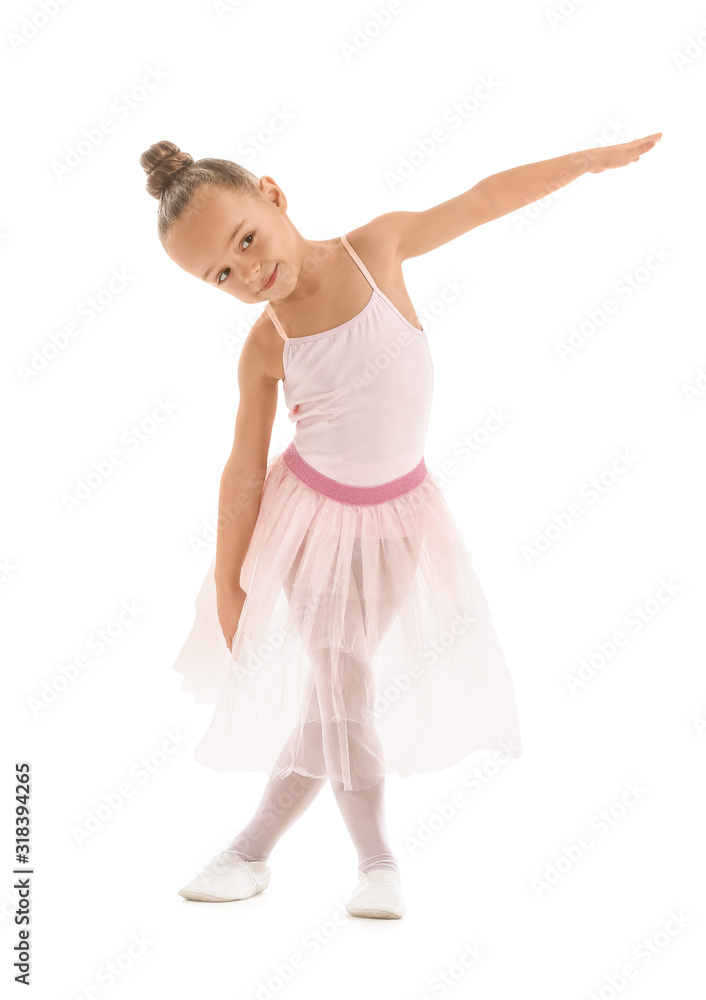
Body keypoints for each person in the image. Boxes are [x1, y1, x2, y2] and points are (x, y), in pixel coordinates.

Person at [141, 131, 661, 919]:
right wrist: (228, 583)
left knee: (333, 696)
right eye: (221, 275)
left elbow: (484, 199)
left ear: (273, 196)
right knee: (344, 683)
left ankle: (248, 852)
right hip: (313, 527)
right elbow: (242, 469)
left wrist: (584, 162)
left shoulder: (375, 251)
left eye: (245, 240)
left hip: (402, 518)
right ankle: (375, 863)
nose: (247, 273)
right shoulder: (265, 345)